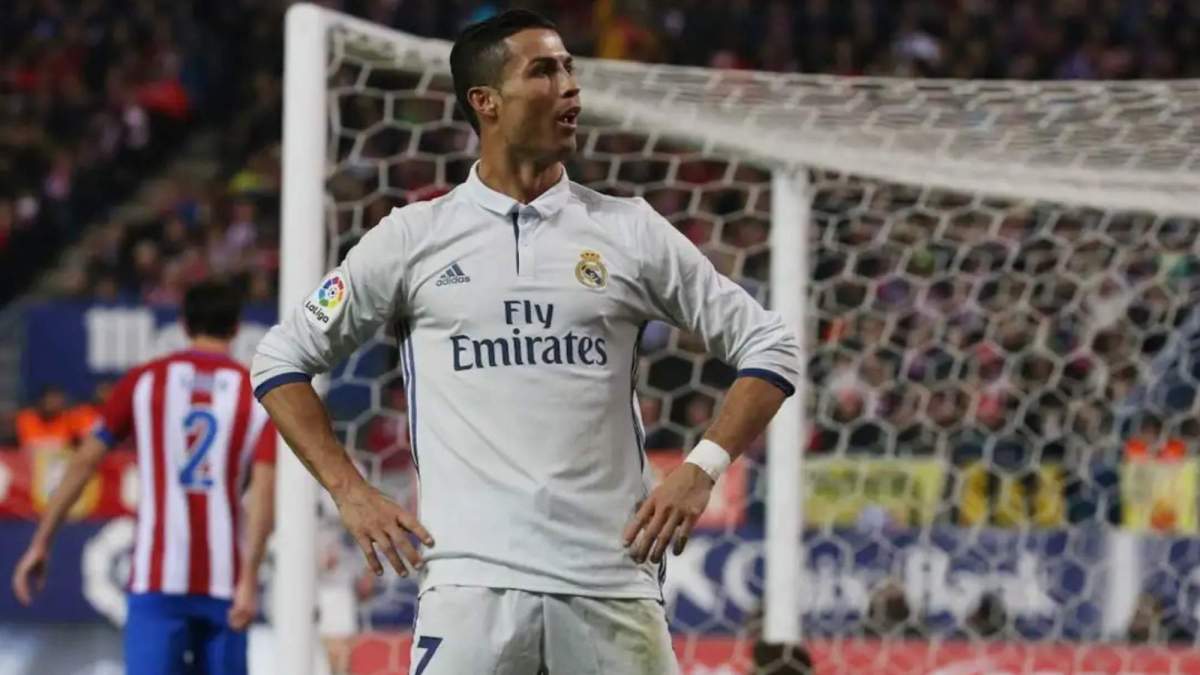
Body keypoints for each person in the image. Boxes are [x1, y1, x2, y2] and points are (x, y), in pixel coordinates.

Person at [251, 9, 800, 674]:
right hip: (471, 586)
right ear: (486, 102)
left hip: (611, 581)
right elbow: (281, 360)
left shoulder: (629, 231)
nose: (570, 86)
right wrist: (350, 490)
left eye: (569, 68)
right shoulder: (412, 237)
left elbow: (771, 344)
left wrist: (702, 467)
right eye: (544, 71)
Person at [12, 280, 277, 675]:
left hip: (157, 582)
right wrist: (250, 579)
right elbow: (263, 497)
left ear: (184, 325)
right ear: (237, 327)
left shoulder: (144, 382)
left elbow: (84, 462)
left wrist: (42, 541)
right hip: (226, 583)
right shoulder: (255, 395)